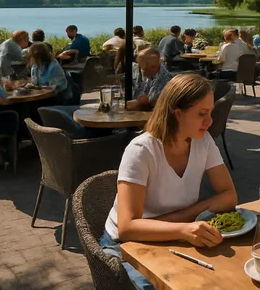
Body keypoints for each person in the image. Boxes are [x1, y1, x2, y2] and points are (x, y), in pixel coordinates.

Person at [101, 73, 237, 290]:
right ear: (178, 114)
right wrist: (183, 226)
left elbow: (229, 196)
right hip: (126, 244)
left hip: (177, 235)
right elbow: (127, 228)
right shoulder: (141, 150)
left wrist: (181, 221)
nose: (210, 121)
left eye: (210, 112)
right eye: (202, 113)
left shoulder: (203, 142)